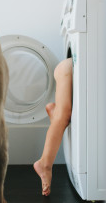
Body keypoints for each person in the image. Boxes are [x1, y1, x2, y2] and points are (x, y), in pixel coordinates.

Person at [34, 58, 73, 196]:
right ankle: (44, 164)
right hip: (70, 67)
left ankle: (55, 112)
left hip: (68, 66)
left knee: (63, 117)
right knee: (63, 117)